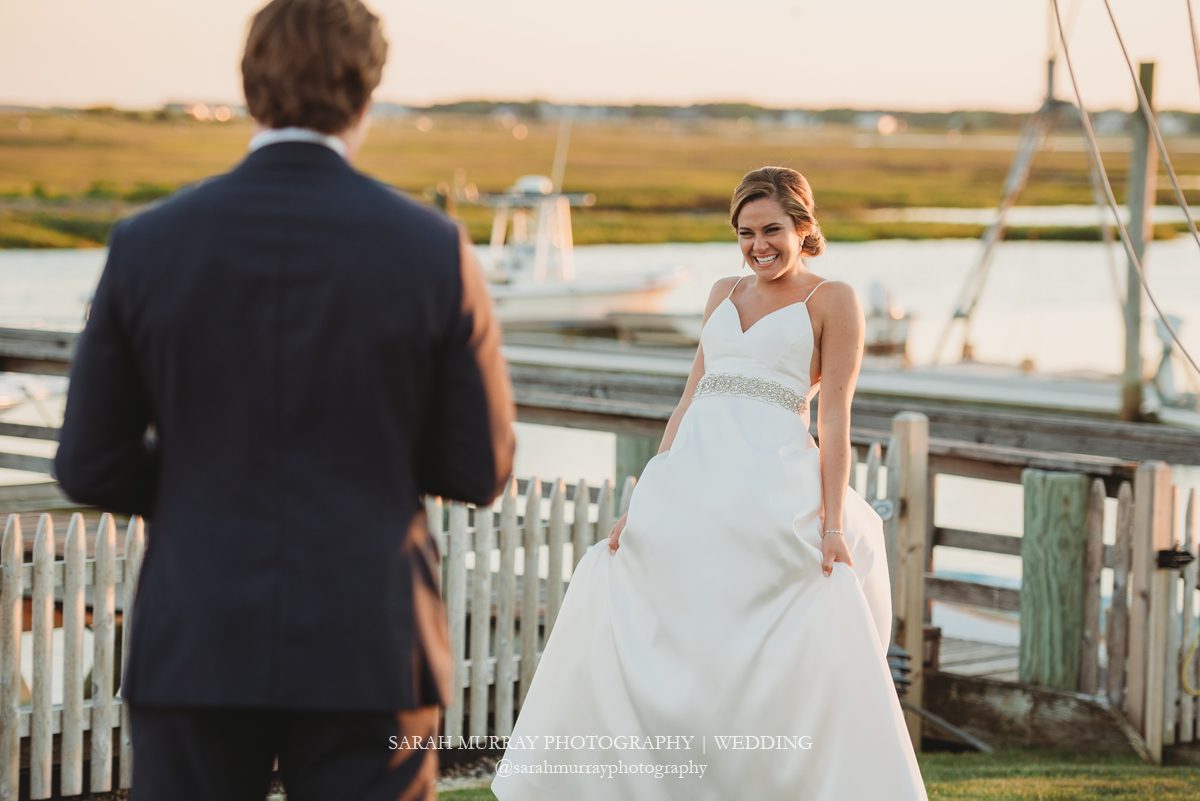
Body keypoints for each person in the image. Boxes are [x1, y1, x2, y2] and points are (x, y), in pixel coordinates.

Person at [53, 1, 515, 799]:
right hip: (371, 636)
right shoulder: (430, 247)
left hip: (198, 631)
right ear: (368, 91)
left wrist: (205, 477)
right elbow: (480, 467)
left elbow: (91, 463)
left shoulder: (148, 242)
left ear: (247, 86)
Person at [491, 166, 927, 800]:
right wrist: (643, 501)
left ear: (803, 228)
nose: (759, 246)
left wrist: (832, 525)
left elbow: (835, 418)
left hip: (774, 477)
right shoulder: (723, 291)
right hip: (693, 479)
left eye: (773, 229)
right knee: (623, 591)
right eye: (745, 233)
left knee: (802, 613)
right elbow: (689, 399)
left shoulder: (834, 299)